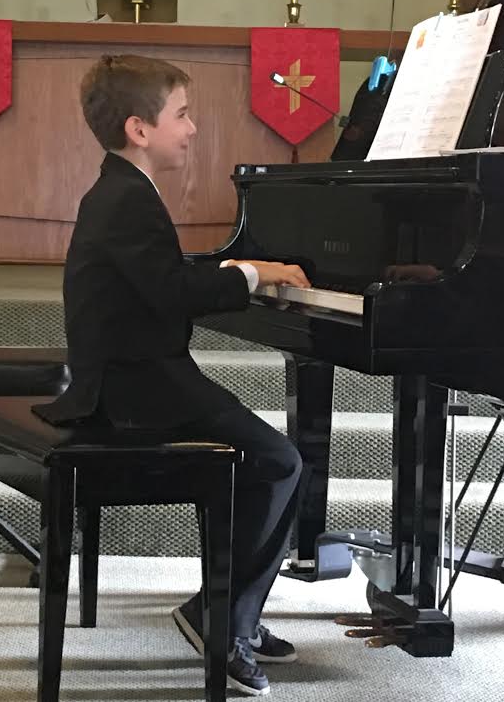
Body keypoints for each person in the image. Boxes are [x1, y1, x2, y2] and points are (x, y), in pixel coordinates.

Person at [34, 54, 311, 696]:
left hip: (140, 375)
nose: (192, 128)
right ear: (139, 129)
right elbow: (170, 290)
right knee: (280, 461)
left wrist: (242, 268)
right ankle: (219, 617)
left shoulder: (121, 189)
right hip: (134, 389)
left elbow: (159, 276)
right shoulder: (126, 198)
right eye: (182, 115)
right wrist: (251, 274)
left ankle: (233, 611)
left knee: (275, 459)